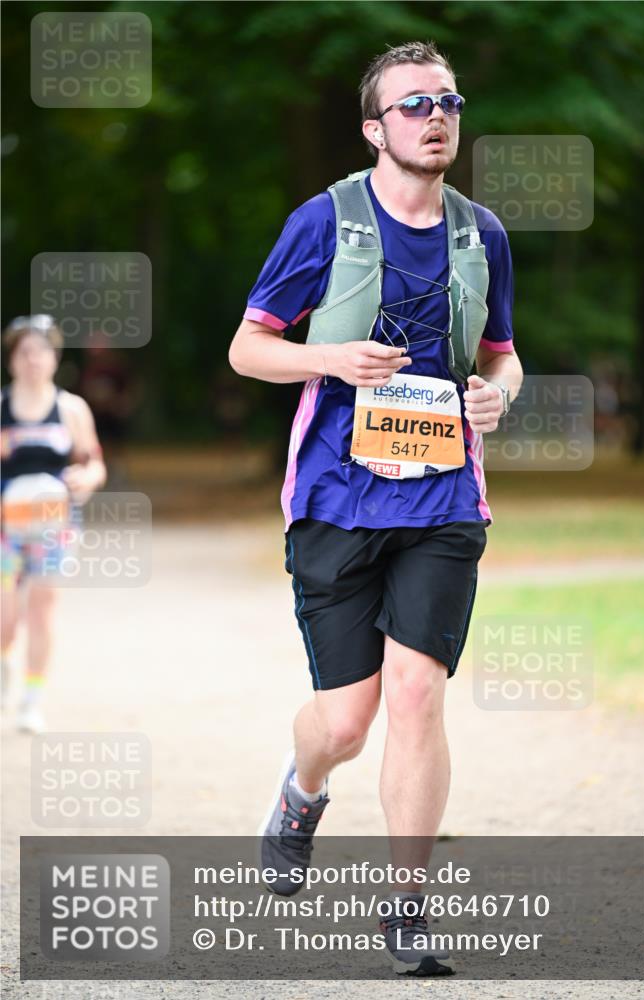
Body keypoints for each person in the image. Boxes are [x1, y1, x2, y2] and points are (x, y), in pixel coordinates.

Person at [229, 41, 523, 976]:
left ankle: (406, 911)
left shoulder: (485, 234)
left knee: (416, 693)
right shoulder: (321, 223)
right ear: (374, 128)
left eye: (447, 100)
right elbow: (248, 349)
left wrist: (497, 394)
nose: (436, 116)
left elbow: (503, 353)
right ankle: (303, 789)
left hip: (443, 497)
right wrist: (329, 359)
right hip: (334, 497)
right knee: (346, 720)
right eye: (413, 105)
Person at [1, 315, 106, 733]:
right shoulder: (2, 407)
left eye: (41, 352)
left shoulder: (71, 409)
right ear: (12, 360)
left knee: (42, 613)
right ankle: (6, 660)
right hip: (6, 529)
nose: (33, 360)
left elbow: (94, 462)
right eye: (24, 352)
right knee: (6, 616)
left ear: (54, 358)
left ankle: (31, 698)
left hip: (54, 527)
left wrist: (88, 478)